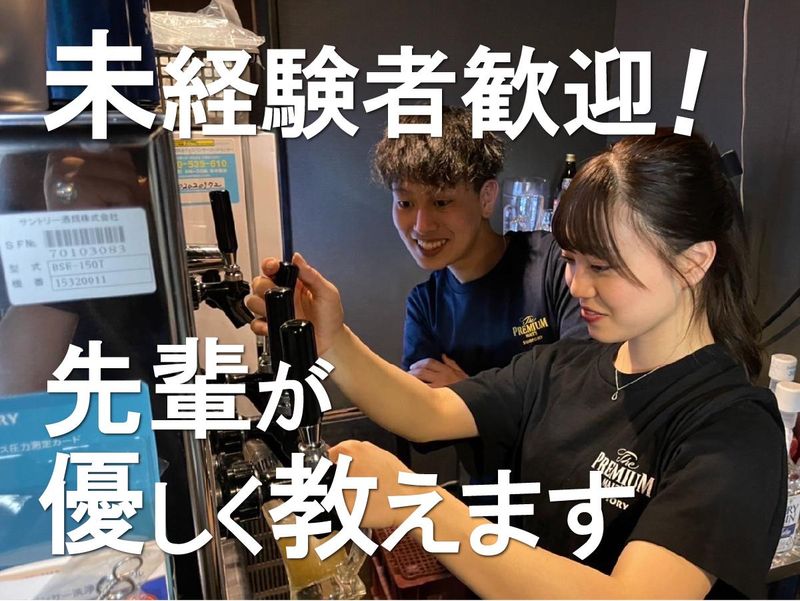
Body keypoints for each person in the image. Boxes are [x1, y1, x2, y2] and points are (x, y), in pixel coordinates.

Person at [246, 131, 785, 599]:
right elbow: (429, 411)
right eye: (570, 260)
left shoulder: (732, 430)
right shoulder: (566, 366)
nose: (577, 285)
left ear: (693, 262)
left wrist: (421, 504)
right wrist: (332, 338)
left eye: (601, 266)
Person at [373, 106, 584, 388]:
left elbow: (579, 390)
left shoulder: (557, 265)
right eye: (405, 203)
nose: (422, 226)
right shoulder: (425, 305)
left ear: (486, 198)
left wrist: (469, 391)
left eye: (441, 202)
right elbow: (422, 409)